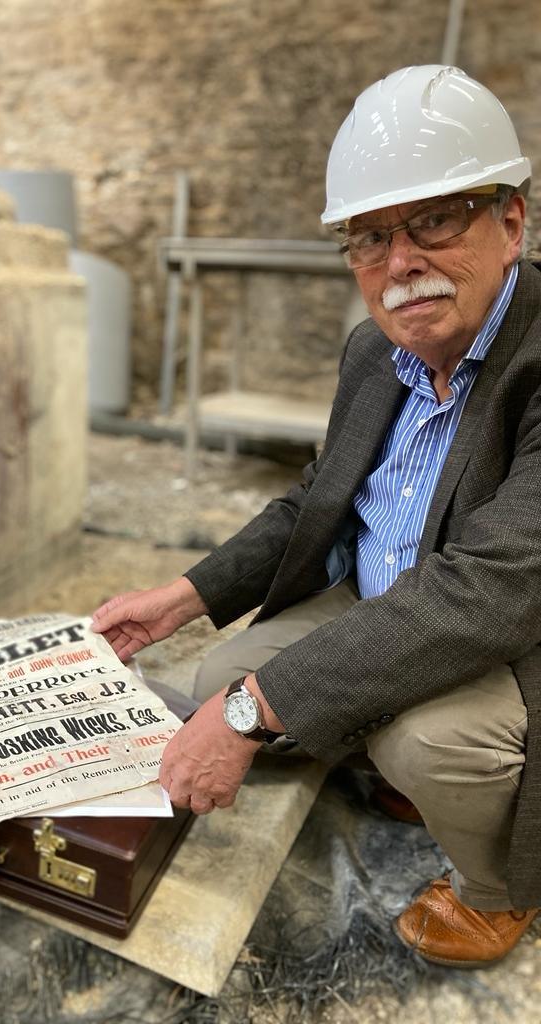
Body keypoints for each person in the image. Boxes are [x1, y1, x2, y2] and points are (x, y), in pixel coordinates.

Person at [92, 65, 541, 968]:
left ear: (513, 222)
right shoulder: (375, 352)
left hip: (511, 630)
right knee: (225, 669)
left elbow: (494, 590)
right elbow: (317, 497)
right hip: (387, 595)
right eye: (369, 240)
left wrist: (252, 716)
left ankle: (498, 891)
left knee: (429, 741)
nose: (400, 263)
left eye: (436, 221)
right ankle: (380, 746)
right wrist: (182, 595)